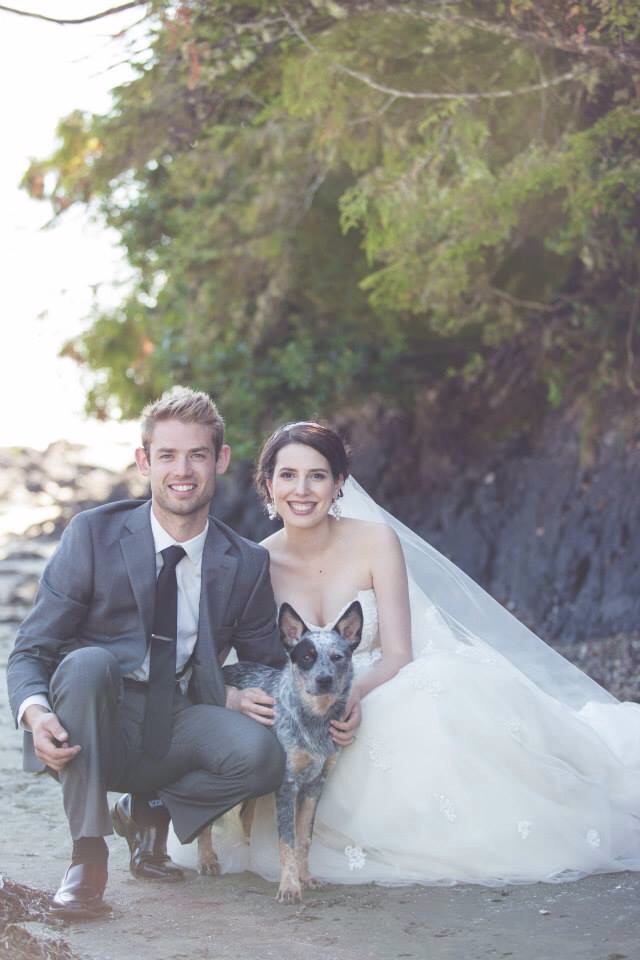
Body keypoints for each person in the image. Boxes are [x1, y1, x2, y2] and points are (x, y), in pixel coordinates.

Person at [172, 420, 640, 886]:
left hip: (376, 683)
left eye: (317, 475)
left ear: (338, 483)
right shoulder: (257, 562)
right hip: (311, 704)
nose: (302, 489)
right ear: (268, 484)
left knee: (438, 706)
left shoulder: (376, 541)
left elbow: (398, 652)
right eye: (288, 475)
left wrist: (352, 697)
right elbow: (251, 660)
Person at [6, 387, 287, 920]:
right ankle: (87, 858)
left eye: (197, 455)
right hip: (92, 718)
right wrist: (36, 714)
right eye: (167, 455)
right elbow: (30, 650)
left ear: (220, 460)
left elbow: (265, 664)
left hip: (177, 716)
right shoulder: (93, 533)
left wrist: (251, 693)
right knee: (90, 662)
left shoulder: (245, 561)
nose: (183, 470)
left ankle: (150, 808)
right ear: (144, 461)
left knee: (260, 756)